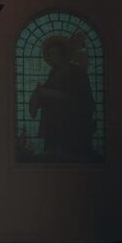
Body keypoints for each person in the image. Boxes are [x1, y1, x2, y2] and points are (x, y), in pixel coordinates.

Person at [28, 33, 96, 161]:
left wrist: (48, 93)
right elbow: (46, 93)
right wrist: (38, 96)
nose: (51, 57)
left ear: (64, 54)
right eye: (49, 54)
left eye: (55, 53)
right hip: (54, 121)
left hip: (71, 122)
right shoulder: (54, 73)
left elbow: (79, 98)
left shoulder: (75, 71)